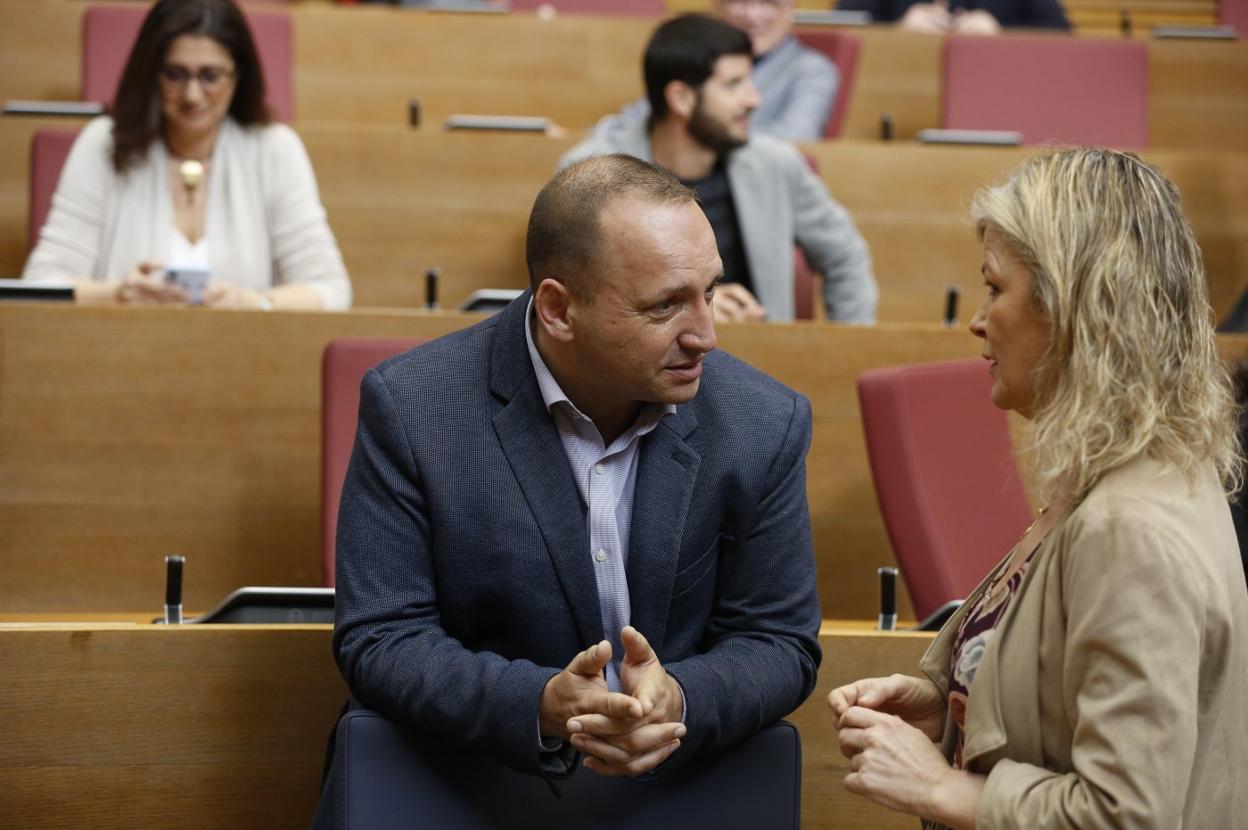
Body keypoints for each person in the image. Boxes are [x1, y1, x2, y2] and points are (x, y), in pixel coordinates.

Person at [327, 154, 821, 796]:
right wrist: (539, 703)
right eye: (666, 305)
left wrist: (678, 700)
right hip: (471, 781)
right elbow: (382, 637)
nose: (706, 334)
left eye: (710, 291)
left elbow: (778, 640)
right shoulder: (413, 409)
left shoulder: (763, 421)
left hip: (674, 784)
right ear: (558, 309)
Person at [828, 148, 1248, 828]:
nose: (978, 318)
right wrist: (956, 702)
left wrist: (940, 789)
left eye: (995, 288)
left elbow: (1125, 814)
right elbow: (1063, 693)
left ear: (1069, 309)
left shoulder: (1129, 526)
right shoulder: (1134, 467)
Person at [23, 0, 351, 310]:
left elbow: (331, 290)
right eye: (175, 75)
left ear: (239, 76)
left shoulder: (275, 149)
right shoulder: (103, 144)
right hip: (114, 355)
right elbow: (41, 285)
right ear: (151, 73)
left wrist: (253, 303)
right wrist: (118, 294)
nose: (192, 95)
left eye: (210, 76)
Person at [560, 15, 875, 325]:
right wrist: (694, 304)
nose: (754, 99)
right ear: (681, 98)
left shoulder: (775, 163)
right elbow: (576, 285)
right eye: (734, 84)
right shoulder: (593, 174)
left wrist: (845, 352)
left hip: (759, 359)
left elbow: (845, 257)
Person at [607, 0, 840, 142]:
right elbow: (637, 118)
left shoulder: (812, 69)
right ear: (716, 6)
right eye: (739, 0)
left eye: (769, 2)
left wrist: (696, 138)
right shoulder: (696, 56)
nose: (752, 15)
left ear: (791, 8)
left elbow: (798, 140)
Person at [839, 0, 1068, 35]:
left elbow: (1060, 32)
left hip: (995, 84)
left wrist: (1000, 32)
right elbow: (841, 26)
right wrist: (897, 29)